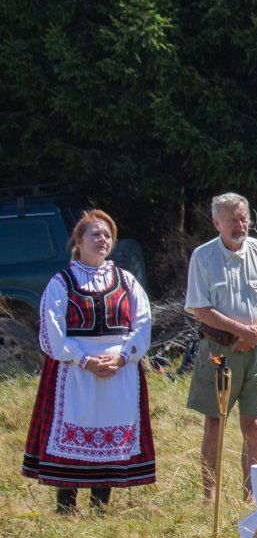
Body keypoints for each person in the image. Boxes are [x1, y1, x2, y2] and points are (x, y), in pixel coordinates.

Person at [22, 210, 155, 511]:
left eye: (107, 235)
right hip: (74, 371)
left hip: (119, 370)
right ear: (79, 241)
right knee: (74, 427)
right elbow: (52, 331)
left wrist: (122, 357)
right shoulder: (61, 282)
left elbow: (143, 323)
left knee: (111, 430)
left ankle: (100, 506)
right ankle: (66, 506)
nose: (102, 239)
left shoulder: (126, 281)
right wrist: (84, 360)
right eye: (95, 234)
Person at [185, 193, 257, 501]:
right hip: (220, 353)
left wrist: (254, 333)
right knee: (215, 423)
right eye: (232, 220)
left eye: (243, 218)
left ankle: (250, 496)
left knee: (254, 425)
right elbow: (201, 309)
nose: (239, 225)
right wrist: (240, 331)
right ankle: (210, 497)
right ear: (217, 223)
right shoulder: (203, 256)